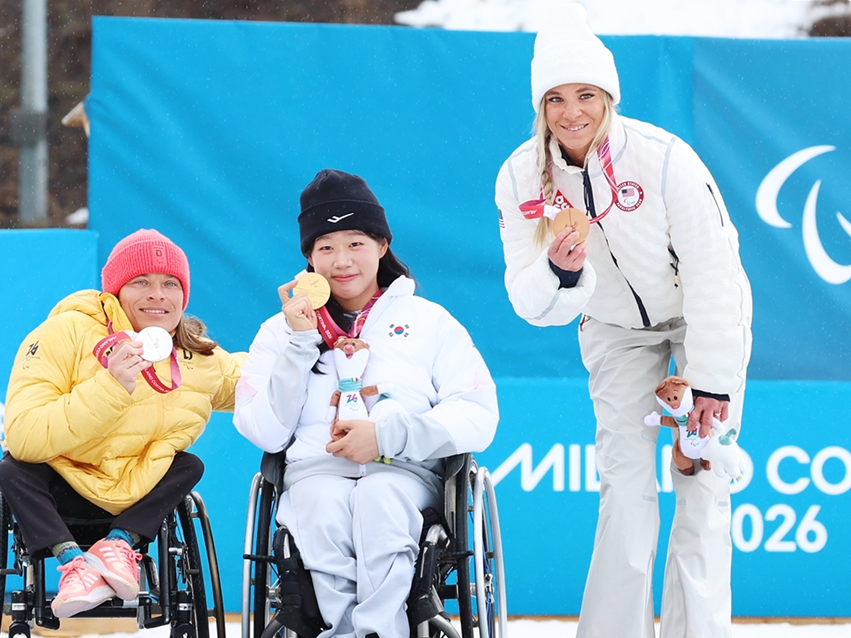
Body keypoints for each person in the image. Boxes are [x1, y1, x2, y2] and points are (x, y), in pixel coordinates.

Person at [495, 5, 752, 638]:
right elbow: (530, 305)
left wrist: (713, 381)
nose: (571, 112)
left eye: (585, 94)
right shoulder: (521, 177)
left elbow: (715, 273)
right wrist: (558, 271)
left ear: (608, 95)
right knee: (625, 485)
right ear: (540, 106)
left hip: (699, 320)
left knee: (702, 476)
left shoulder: (665, 159)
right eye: (555, 98)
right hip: (612, 329)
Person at [234, 169, 498, 638]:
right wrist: (298, 345)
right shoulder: (279, 331)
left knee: (380, 501)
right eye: (326, 247)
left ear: (381, 244)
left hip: (403, 472)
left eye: (355, 243)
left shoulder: (429, 321)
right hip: (315, 472)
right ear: (309, 260)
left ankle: (381, 631)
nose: (342, 261)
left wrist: (388, 436)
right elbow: (266, 432)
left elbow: (478, 414)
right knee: (322, 507)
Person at [0, 229, 245, 618]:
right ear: (115, 292)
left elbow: (257, 381)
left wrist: (304, 345)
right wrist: (110, 387)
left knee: (189, 465)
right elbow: (25, 435)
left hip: (136, 499)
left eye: (170, 284)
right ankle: (76, 564)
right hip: (64, 489)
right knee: (11, 469)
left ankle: (118, 545)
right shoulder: (65, 333)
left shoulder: (195, 354)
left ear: (184, 295)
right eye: (141, 282)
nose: (157, 294)